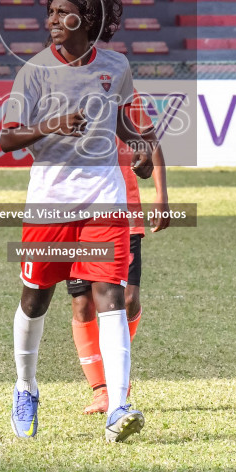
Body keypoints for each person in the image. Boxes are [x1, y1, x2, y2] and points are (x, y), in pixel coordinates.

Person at [0, 0, 154, 443]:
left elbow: (123, 121)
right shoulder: (33, 73)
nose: (53, 22)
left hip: (105, 200)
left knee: (110, 296)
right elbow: (6, 139)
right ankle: (25, 388)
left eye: (63, 13)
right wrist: (50, 125)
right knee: (35, 299)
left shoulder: (116, 65)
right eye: (49, 14)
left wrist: (141, 146)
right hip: (49, 203)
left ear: (87, 20)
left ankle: (118, 404)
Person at [69, 98, 169, 414]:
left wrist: (162, 196)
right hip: (77, 213)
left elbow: (149, 140)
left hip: (124, 212)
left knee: (127, 301)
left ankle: (117, 373)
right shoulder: (59, 90)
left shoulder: (123, 90)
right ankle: (103, 389)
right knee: (83, 302)